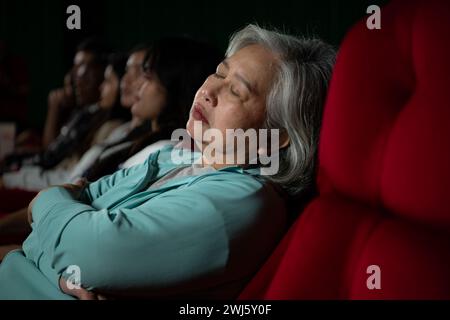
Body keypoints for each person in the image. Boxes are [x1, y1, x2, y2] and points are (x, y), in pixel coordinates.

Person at [0, 25, 335, 299]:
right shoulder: (175, 155)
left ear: (276, 136)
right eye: (219, 72)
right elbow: (69, 236)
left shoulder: (240, 202)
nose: (209, 90)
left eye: (237, 90)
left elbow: (89, 252)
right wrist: (49, 263)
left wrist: (43, 212)